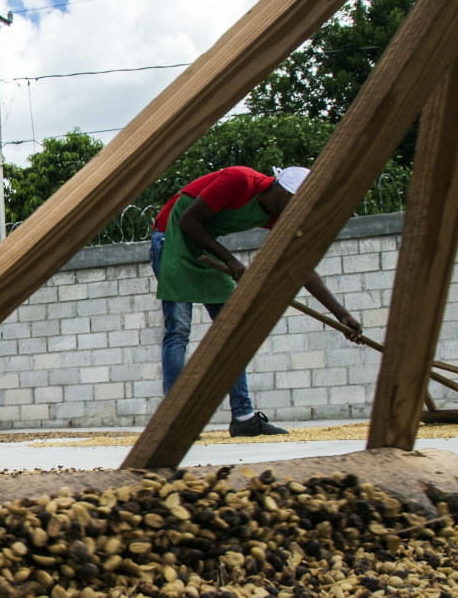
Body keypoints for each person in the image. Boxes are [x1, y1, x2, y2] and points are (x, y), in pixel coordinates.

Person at [147, 165, 362, 437]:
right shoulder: (240, 180)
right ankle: (173, 420)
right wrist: (230, 260)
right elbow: (188, 221)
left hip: (202, 241)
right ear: (284, 194)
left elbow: (301, 266)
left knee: (233, 330)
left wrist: (341, 314)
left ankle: (243, 417)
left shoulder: (278, 215)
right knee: (178, 329)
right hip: (172, 236)